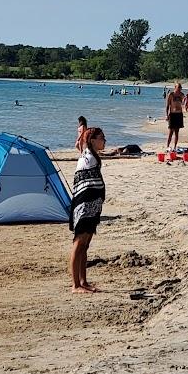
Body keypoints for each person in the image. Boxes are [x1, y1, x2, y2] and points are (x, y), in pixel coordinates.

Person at [68, 125, 107, 293]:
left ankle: (83, 281)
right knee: (79, 243)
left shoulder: (91, 155)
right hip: (85, 203)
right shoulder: (88, 157)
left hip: (92, 203)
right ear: (93, 140)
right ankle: (75, 285)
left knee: (85, 245)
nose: (104, 141)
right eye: (102, 138)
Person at [165, 83, 186, 152]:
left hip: (179, 114)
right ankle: (167, 146)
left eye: (180, 87)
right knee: (171, 132)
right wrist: (167, 115)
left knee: (177, 132)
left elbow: (184, 103)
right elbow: (167, 105)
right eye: (178, 87)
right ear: (175, 87)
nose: (180, 89)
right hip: (172, 114)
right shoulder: (171, 94)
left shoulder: (182, 95)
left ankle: (174, 147)